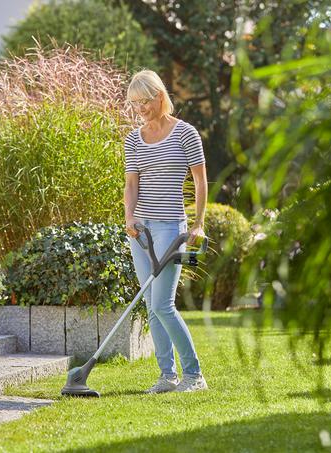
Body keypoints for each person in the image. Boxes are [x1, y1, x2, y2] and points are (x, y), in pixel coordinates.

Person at [123, 69, 208, 393]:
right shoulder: (133, 140)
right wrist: (129, 218)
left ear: (160, 96)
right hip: (141, 229)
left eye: (145, 101)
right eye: (135, 103)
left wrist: (198, 223)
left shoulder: (186, 133)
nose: (141, 108)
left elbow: (200, 182)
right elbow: (132, 184)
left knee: (163, 304)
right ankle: (167, 376)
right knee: (150, 304)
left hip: (171, 227)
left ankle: (193, 375)